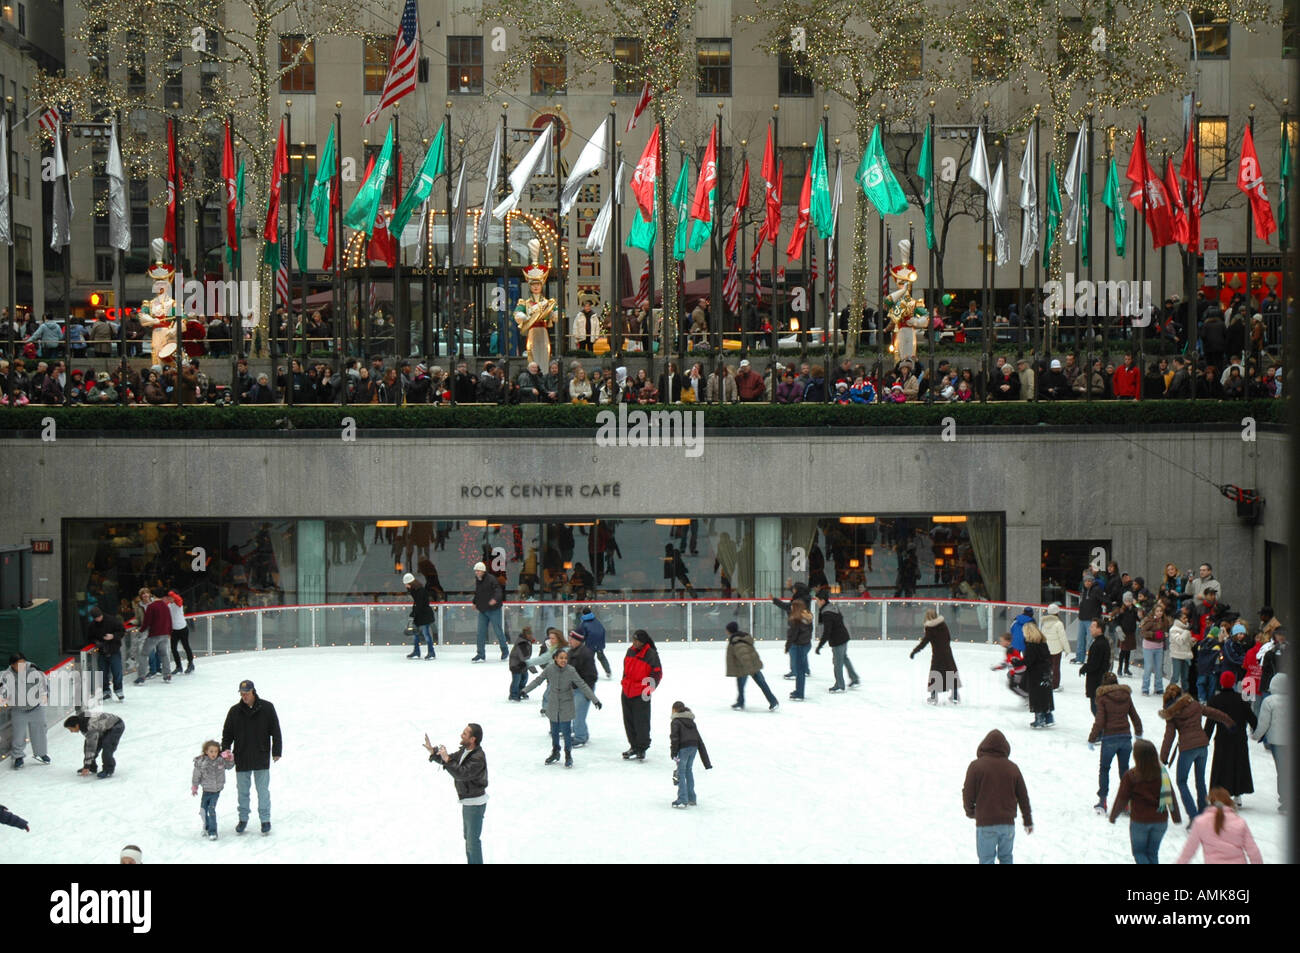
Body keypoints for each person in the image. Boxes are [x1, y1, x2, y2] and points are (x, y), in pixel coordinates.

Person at [1158, 684, 1235, 822]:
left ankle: (1194, 817)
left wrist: (1163, 758)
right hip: (1202, 746)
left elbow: (1169, 737)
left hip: (1187, 749)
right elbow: (1213, 712)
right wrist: (1228, 721)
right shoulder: (1194, 705)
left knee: (1181, 781)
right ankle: (1204, 813)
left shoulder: (1171, 713)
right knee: (1200, 781)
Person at [221, 679, 283, 836]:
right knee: (242, 791)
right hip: (242, 757)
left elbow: (275, 730)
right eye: (242, 694)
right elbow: (227, 733)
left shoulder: (267, 708)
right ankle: (243, 819)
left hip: (261, 756)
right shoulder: (234, 711)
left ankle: (265, 820)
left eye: (247, 693)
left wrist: (277, 751)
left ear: (253, 692)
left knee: (262, 790)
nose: (244, 697)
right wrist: (225, 751)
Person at [962, 729, 1032, 865]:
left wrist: (971, 812)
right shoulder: (1013, 768)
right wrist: (1028, 820)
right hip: (1007, 824)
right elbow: (1023, 796)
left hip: (985, 823)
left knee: (986, 860)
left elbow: (968, 793)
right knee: (1006, 858)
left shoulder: (976, 766)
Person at [522, 647, 600, 767]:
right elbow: (538, 681)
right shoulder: (550, 669)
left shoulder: (570, 670)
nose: (564, 660)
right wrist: (525, 690)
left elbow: (582, 685)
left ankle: (568, 755)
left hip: (566, 704)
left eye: (565, 658)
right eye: (561, 658)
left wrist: (594, 700)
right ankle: (555, 752)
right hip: (553, 704)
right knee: (554, 732)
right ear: (555, 659)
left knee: (566, 732)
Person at [1108, 738, 1181, 863]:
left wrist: (1113, 815)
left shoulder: (1131, 776)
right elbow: (1171, 796)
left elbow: (1122, 798)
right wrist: (1176, 817)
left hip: (1140, 821)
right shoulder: (1163, 773)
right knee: (1152, 853)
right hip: (1160, 821)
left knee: (1139, 853)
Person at [425, 724, 488, 865]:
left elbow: (462, 773)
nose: (461, 735)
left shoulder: (478, 757)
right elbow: (449, 760)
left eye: (465, 733)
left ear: (473, 739)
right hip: (468, 802)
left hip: (475, 804)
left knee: (472, 842)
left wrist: (447, 760)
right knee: (469, 839)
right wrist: (434, 752)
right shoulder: (465, 751)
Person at [1089, 672, 1143, 813]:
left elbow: (1099, 720)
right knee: (1124, 771)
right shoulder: (1126, 696)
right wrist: (1138, 732)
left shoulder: (1103, 698)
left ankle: (1102, 802)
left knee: (1105, 769)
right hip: (1125, 738)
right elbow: (1134, 715)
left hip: (1110, 739)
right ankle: (1127, 802)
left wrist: (1092, 738)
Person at [1205, 671, 1256, 805]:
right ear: (1234, 683)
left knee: (1221, 767)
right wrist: (1258, 732)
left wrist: (1205, 739)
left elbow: (1210, 723)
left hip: (1222, 739)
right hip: (1239, 739)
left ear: (1221, 682)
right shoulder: (1242, 699)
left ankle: (1219, 795)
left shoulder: (1215, 700)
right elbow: (1252, 719)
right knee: (1238, 765)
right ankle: (1237, 795)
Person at [1176, 787, 1263, 864]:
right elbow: (1253, 851)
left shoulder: (1200, 823)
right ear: (1229, 802)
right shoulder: (1240, 822)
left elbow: (1188, 852)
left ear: (1210, 802)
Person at [1, 654, 50, 769]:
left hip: (36, 707)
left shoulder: (33, 669)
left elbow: (43, 683)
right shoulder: (6, 675)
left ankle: (41, 753)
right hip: (19, 709)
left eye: (23, 662)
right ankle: (18, 756)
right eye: (19, 664)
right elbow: (3, 690)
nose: (22, 666)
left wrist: (43, 695)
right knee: (18, 734)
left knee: (40, 731)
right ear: (12, 665)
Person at [620, 629, 662, 760]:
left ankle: (642, 748)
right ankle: (633, 746)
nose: (635, 643)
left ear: (643, 642)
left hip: (641, 693)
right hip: (627, 692)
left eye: (637, 640)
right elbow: (625, 670)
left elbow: (657, 674)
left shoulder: (651, 654)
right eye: (634, 640)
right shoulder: (630, 651)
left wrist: (647, 690)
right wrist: (624, 683)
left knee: (641, 722)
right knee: (629, 721)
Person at [1251, 673, 1289, 813]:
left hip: (1276, 741)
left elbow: (1263, 723)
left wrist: (1256, 735)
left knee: (1282, 770)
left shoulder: (1269, 701)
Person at [724, 620, 779, 711]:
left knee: (760, 684)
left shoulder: (737, 642)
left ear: (730, 630)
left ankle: (773, 702)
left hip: (747, 667)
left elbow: (745, 656)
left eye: (726, 630)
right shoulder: (738, 638)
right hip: (747, 666)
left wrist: (751, 669)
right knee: (744, 686)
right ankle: (740, 702)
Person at [813, 587, 859, 692]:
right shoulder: (832, 607)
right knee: (844, 658)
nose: (816, 603)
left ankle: (839, 684)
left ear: (822, 600)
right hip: (843, 637)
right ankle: (855, 679)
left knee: (837, 662)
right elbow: (840, 619)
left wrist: (819, 646)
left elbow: (827, 632)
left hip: (838, 640)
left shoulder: (826, 613)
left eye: (817, 600)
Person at [910, 608, 960, 704]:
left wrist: (914, 651)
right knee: (951, 672)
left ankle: (933, 697)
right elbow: (949, 638)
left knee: (935, 674)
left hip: (937, 654)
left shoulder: (929, 628)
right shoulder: (943, 624)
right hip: (947, 652)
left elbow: (924, 642)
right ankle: (954, 696)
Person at [669, 701, 713, 808]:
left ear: (675, 710)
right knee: (688, 770)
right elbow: (699, 740)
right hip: (693, 747)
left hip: (683, 749)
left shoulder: (675, 721)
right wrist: (706, 762)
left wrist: (673, 753)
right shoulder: (691, 722)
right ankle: (691, 798)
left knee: (681, 772)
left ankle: (682, 799)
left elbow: (674, 738)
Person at [191, 740, 235, 840]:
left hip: (216, 791)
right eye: (211, 751)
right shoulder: (201, 762)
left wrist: (230, 758)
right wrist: (195, 786)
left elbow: (229, 766)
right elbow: (196, 775)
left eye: (215, 751)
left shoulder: (220, 760)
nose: (213, 754)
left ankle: (213, 831)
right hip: (206, 790)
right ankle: (206, 826)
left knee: (211, 809)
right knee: (203, 810)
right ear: (206, 751)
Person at [64, 711, 125, 778]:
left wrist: (86, 766)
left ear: (76, 725)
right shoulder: (81, 720)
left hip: (116, 725)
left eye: (70, 729)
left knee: (107, 746)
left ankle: (108, 770)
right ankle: (91, 767)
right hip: (102, 728)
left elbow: (91, 747)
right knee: (87, 746)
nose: (71, 731)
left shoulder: (90, 727)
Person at [565, 631, 600, 747]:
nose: (569, 641)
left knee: (578, 714)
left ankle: (580, 737)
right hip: (574, 688)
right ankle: (581, 733)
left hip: (583, 688)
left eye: (571, 639)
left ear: (578, 640)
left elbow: (592, 675)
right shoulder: (571, 652)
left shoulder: (585, 654)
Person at [134, 588, 174, 685]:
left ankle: (141, 677)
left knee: (144, 654)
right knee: (164, 654)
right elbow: (169, 620)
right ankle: (167, 675)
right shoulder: (165, 606)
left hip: (154, 635)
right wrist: (169, 632)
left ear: (153, 596)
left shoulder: (151, 607)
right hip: (164, 634)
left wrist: (141, 631)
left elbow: (147, 622)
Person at [87, 605, 126, 701]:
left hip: (113, 650)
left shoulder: (112, 620)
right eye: (96, 618)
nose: (98, 619)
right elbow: (90, 637)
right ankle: (106, 690)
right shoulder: (92, 625)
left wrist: (113, 636)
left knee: (117, 671)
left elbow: (122, 631)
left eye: (99, 617)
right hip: (102, 651)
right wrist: (96, 642)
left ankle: (118, 690)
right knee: (103, 673)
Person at [471, 561, 508, 662]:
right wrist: (474, 602)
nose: (476, 573)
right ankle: (480, 654)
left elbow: (498, 591)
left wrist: (495, 599)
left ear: (483, 571)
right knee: (480, 632)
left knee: (498, 630)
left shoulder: (491, 579)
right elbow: (478, 592)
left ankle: (505, 650)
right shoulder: (478, 579)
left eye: (478, 571)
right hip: (483, 609)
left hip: (494, 609)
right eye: (476, 571)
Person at [1023, 623, 1055, 728]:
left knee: (1036, 695)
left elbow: (1029, 661)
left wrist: (1017, 662)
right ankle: (1048, 716)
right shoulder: (1043, 643)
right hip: (1045, 672)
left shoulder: (1030, 645)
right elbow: (1048, 657)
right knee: (1045, 694)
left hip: (1035, 674)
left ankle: (1039, 718)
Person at [1137, 598, 1168, 696]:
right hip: (1149, 646)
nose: (1159, 613)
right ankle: (1145, 688)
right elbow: (1142, 632)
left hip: (1159, 646)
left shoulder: (1164, 621)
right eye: (1157, 611)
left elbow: (1166, 630)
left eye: (1161, 611)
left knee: (1159, 668)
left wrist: (1164, 635)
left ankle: (1158, 688)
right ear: (1154, 611)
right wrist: (1154, 634)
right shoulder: (1149, 620)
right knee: (1149, 667)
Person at [1079, 620, 1111, 716]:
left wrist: (1084, 668)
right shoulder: (1100, 642)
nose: (1090, 628)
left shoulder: (1099, 644)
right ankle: (1101, 729)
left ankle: (1102, 730)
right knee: (1096, 708)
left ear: (1099, 629)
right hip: (1098, 680)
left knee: (1096, 708)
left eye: (1093, 626)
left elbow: (1094, 664)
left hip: (1097, 681)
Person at [403, 572, 436, 659]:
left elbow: (420, 604)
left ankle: (431, 652)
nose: (405, 586)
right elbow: (417, 604)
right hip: (418, 615)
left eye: (406, 584)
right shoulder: (414, 590)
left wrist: (413, 613)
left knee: (426, 634)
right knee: (415, 633)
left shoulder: (420, 590)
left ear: (410, 583)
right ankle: (416, 651)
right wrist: (414, 614)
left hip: (425, 615)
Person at [576, 605, 612, 677]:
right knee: (601, 657)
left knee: (589, 658)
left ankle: (589, 673)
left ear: (583, 614)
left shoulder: (584, 623)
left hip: (590, 643)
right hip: (599, 642)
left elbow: (583, 634)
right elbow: (602, 630)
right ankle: (608, 671)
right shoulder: (596, 620)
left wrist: (581, 643)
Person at [1040, 603, 1069, 690]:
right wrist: (1067, 649)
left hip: (1046, 649)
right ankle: (1055, 685)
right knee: (1056, 667)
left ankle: (1047, 682)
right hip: (1056, 650)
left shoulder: (1044, 623)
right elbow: (1063, 637)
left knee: (1047, 667)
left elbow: (1042, 635)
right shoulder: (1059, 623)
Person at [1168, 605, 1195, 694]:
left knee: (1185, 677)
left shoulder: (1185, 629)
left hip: (1186, 656)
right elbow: (1180, 641)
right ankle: (1170, 692)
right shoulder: (1173, 630)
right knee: (1175, 676)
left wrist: (1192, 641)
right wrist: (1187, 632)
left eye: (1186, 618)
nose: (1186, 620)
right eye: (1184, 618)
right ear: (1178, 619)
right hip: (1177, 656)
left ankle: (1185, 693)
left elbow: (1188, 643)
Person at [167, 591, 194, 675]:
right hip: (174, 630)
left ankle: (190, 664)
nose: (170, 598)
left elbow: (179, 599)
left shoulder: (178, 603)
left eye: (171, 597)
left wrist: (172, 595)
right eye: (169, 597)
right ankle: (178, 666)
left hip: (182, 628)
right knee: (173, 648)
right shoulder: (168, 605)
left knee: (186, 646)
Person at [507, 628, 537, 702]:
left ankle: (521, 692)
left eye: (531, 634)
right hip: (516, 665)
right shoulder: (522, 643)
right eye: (529, 634)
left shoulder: (527, 641)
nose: (531, 636)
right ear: (525, 635)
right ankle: (513, 695)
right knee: (516, 680)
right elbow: (525, 657)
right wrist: (532, 668)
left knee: (524, 678)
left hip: (522, 665)